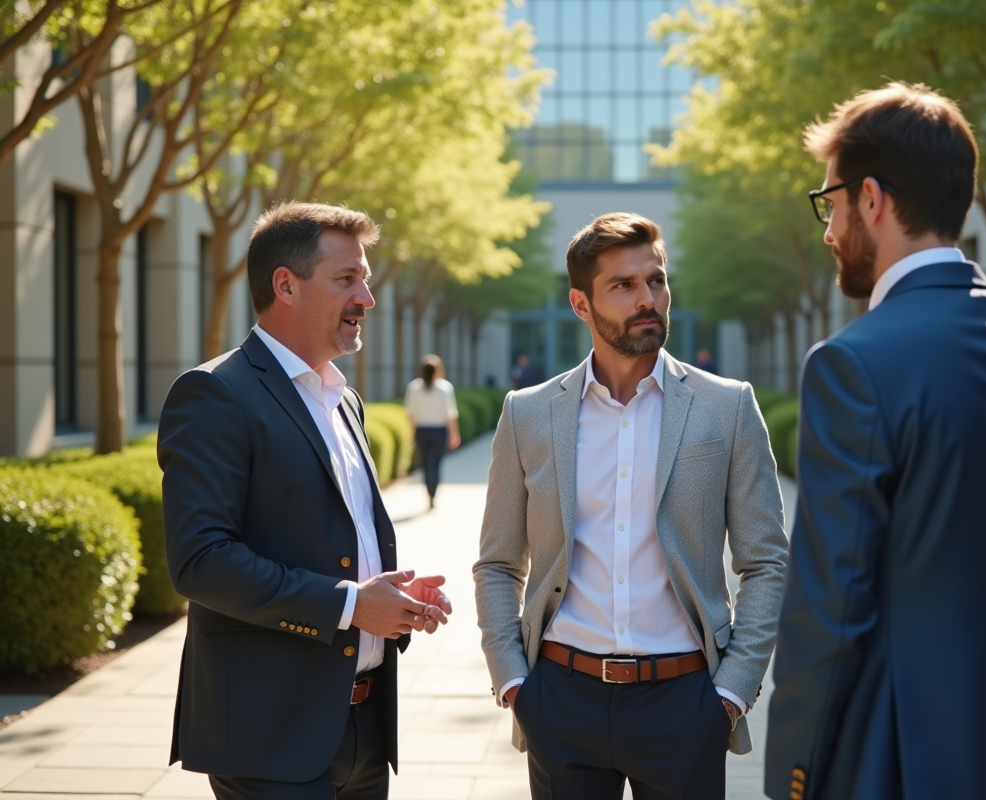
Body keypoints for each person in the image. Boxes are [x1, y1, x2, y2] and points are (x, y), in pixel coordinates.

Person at [764, 83, 986, 800]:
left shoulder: (851, 364)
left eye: (830, 203)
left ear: (873, 199)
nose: (827, 229)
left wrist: (793, 772)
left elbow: (829, 606)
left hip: (888, 757)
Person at [474, 212, 789, 800]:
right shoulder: (529, 413)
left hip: (687, 702)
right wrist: (514, 682)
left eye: (656, 280)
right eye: (623, 285)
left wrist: (733, 692)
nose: (648, 298)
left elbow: (766, 560)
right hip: (560, 700)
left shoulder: (728, 407)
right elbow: (497, 563)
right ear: (580, 304)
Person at [158, 201, 453, 800]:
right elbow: (200, 562)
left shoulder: (344, 400)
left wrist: (388, 599)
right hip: (269, 735)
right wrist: (349, 605)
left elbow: (333, 541)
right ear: (285, 285)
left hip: (365, 732)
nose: (367, 297)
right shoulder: (214, 395)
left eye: (365, 279)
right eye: (347, 279)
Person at [404, 354, 461, 509]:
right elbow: (450, 414)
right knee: (435, 464)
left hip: (421, 431)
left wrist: (410, 434)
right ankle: (432, 494)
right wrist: (455, 433)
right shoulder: (445, 388)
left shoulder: (413, 387)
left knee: (425, 464)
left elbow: (411, 414)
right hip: (439, 431)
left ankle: (429, 492)